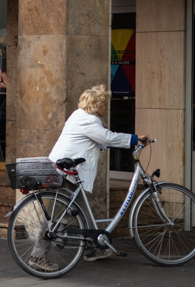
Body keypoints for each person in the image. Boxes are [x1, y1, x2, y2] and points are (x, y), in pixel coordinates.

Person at [45, 84, 146, 266]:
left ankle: (93, 248)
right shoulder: (89, 121)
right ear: (97, 105)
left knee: (83, 212)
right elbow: (107, 138)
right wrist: (134, 138)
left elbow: (99, 140)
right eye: (104, 104)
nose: (106, 107)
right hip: (66, 172)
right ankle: (38, 255)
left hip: (62, 169)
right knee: (57, 217)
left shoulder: (79, 115)